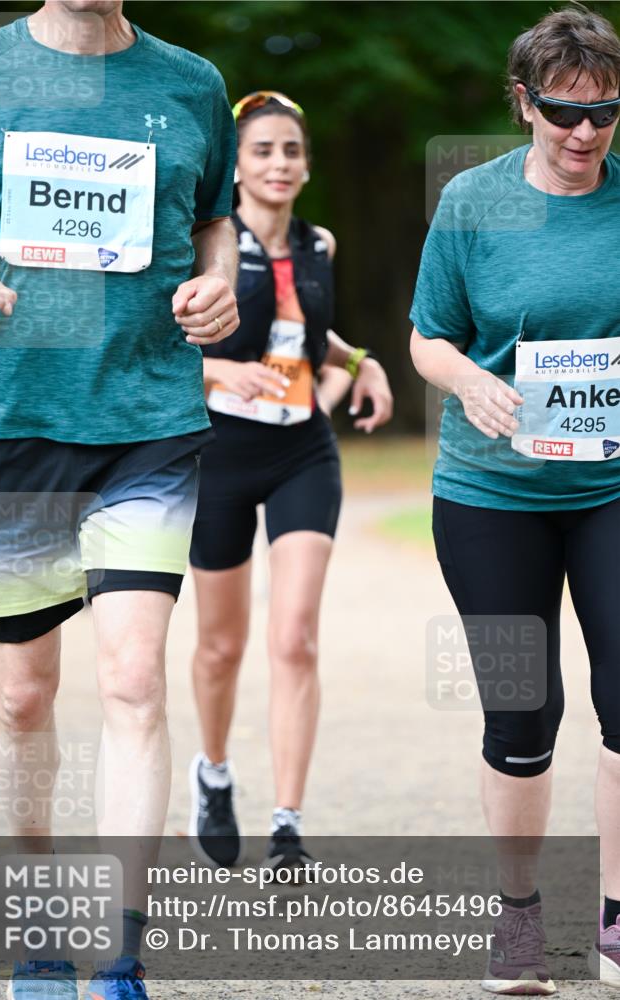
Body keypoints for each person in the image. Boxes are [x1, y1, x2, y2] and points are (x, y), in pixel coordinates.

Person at [0, 2, 238, 997]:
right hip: (8, 417)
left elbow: (213, 218)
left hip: (145, 418)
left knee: (131, 680)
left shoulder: (190, 83)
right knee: (25, 694)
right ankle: (35, 935)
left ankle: (119, 954)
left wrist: (217, 279)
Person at [409, 5, 620, 995]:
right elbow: (426, 336)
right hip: (489, 494)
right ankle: (520, 920)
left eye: (606, 112)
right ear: (521, 102)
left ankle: (616, 921)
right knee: (521, 712)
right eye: (562, 113)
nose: (584, 133)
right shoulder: (472, 201)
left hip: (612, 488)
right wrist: (467, 381)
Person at [186, 90, 393, 874]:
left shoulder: (319, 245)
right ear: (234, 166)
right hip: (219, 457)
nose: (279, 163)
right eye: (262, 150)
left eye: (290, 151)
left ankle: (286, 828)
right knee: (219, 647)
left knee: (295, 637)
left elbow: (305, 335)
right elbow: (151, 344)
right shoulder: (203, 246)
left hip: (303, 450)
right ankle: (212, 772)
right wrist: (216, 370)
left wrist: (357, 361)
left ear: (305, 164)